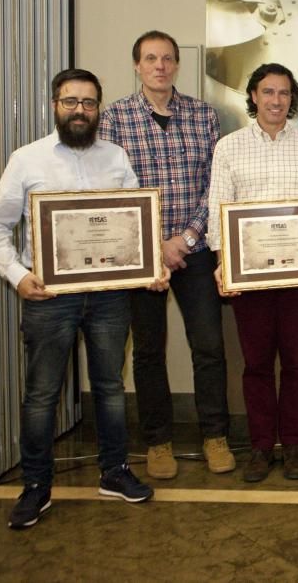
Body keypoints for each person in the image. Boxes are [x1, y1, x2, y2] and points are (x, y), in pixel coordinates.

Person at [0, 68, 163, 529]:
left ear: (99, 108)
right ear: (54, 105)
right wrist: (18, 275)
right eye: (70, 102)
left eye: (88, 103)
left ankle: (114, 471)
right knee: (41, 395)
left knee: (109, 389)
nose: (79, 110)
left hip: (107, 298)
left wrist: (149, 265)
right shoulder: (27, 159)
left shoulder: (117, 156)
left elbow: (132, 225)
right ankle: (36, 486)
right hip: (48, 298)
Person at [98, 30, 233, 480]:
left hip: (193, 250)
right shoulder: (114, 118)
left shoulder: (202, 115)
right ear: (136, 65)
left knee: (209, 347)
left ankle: (215, 436)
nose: (160, 65)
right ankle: (157, 441)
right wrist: (155, 245)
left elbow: (214, 186)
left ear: (177, 65)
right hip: (141, 253)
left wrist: (185, 239)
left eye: (168, 58)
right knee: (148, 351)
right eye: (151, 58)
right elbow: (110, 191)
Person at [207, 63, 298, 483]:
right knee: (255, 364)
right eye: (268, 92)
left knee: (297, 363)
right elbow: (219, 208)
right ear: (253, 96)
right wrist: (222, 262)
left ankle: (291, 445)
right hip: (250, 278)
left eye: (284, 93)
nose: (275, 100)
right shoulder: (228, 148)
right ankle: (259, 447)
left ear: (293, 100)